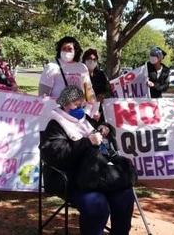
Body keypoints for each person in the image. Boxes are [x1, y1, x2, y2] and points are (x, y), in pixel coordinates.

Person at [40, 85, 134, 235]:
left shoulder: (85, 119)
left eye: (82, 104)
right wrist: (87, 142)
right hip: (72, 179)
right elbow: (58, 156)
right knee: (96, 204)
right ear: (64, 104)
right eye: (76, 105)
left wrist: (105, 128)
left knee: (125, 197)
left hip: (97, 174)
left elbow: (102, 131)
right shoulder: (55, 125)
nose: (80, 108)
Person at [38, 36, 95, 101]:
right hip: (57, 109)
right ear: (60, 50)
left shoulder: (82, 67)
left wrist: (94, 107)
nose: (66, 51)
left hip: (78, 108)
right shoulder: (52, 66)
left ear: (75, 51)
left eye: (69, 49)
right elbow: (43, 93)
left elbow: (89, 90)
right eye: (64, 48)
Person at [82, 48, 112, 123]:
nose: (92, 61)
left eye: (94, 59)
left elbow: (109, 91)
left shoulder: (101, 75)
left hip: (99, 111)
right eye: (89, 59)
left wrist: (103, 95)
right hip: (82, 111)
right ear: (84, 60)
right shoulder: (79, 74)